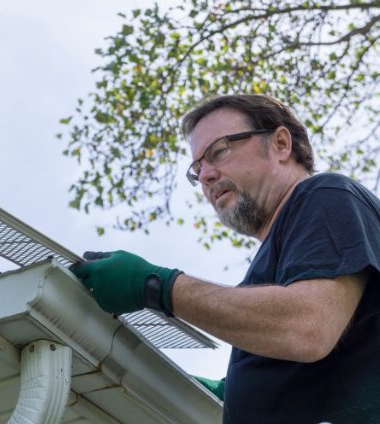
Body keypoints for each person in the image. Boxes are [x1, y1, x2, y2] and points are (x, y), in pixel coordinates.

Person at [71, 94, 380, 423]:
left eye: (218, 151)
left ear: (280, 144)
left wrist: (154, 286)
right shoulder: (270, 271)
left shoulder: (325, 195)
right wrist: (228, 392)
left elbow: (307, 328)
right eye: (197, 168)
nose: (205, 176)